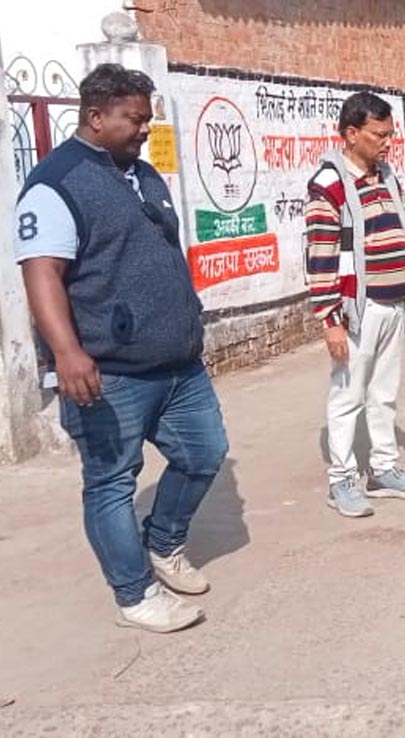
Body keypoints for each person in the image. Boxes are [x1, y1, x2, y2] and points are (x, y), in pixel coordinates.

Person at [14, 63, 228, 633]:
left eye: (146, 118)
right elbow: (42, 273)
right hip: (109, 373)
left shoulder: (143, 174)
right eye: (134, 119)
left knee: (204, 453)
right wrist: (67, 352)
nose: (145, 129)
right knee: (111, 482)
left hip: (178, 364)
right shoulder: (56, 185)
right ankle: (134, 595)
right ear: (95, 116)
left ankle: (164, 543)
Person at [304, 92, 405, 518]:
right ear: (351, 133)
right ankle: (342, 479)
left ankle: (383, 469)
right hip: (356, 310)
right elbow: (320, 256)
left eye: (390, 134)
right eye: (379, 135)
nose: (387, 142)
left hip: (393, 303)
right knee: (348, 395)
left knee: (384, 393)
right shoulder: (329, 185)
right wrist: (330, 320)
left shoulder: (387, 176)